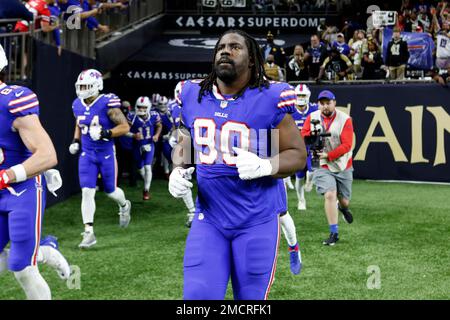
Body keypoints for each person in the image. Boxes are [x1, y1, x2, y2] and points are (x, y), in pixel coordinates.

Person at [169, 29, 306, 300]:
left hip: (256, 221)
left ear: (252, 60)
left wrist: (266, 166)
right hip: (210, 219)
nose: (225, 51)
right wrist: (177, 168)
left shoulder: (269, 97)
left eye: (235, 47)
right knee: (197, 299)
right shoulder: (192, 93)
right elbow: (185, 140)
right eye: (221, 46)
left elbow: (297, 154)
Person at [0, 44, 70, 300]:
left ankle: (43, 252)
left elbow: (47, 154)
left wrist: (7, 175)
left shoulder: (11, 100)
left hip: (20, 191)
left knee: (22, 268)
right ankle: (43, 250)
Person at [69, 69, 131, 249]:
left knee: (111, 191)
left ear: (97, 86)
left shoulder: (107, 104)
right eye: (80, 86)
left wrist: (106, 133)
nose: (82, 90)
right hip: (87, 154)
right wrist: (76, 139)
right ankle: (89, 232)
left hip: (105, 154)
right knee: (87, 191)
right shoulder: (77, 104)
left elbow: (125, 127)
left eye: (86, 86)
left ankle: (124, 205)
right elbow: (80, 122)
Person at [301, 90, 354, 246]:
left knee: (345, 201)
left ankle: (342, 208)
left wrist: (328, 155)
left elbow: (347, 145)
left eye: (328, 103)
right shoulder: (312, 117)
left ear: (334, 103)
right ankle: (334, 232)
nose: (324, 106)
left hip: (342, 163)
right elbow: (303, 135)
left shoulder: (345, 119)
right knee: (330, 195)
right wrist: (310, 137)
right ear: (318, 104)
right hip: (321, 163)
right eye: (322, 103)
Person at [126, 96, 162, 200]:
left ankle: (146, 190)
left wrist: (156, 135)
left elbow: (159, 125)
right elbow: (124, 130)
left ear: (149, 107)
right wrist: (133, 135)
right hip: (137, 145)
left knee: (147, 167)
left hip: (149, 144)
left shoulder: (154, 115)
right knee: (141, 169)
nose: (141, 109)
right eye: (139, 107)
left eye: (144, 107)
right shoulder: (132, 116)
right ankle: (146, 182)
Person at [291, 84, 318, 210]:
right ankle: (301, 200)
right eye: (298, 95)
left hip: (311, 145)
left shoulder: (315, 109)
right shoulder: (289, 110)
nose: (301, 98)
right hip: (296, 146)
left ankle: (310, 181)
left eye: (303, 95)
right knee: (299, 177)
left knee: (313, 170)